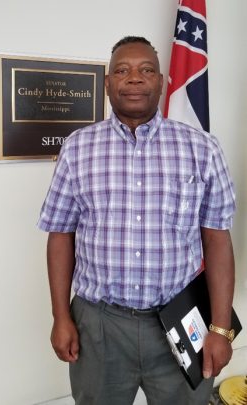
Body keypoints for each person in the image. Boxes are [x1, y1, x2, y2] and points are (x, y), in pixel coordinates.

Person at [38, 36, 236, 405]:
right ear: (108, 83)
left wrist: (221, 329)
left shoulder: (202, 148)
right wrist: (60, 316)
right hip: (100, 326)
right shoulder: (78, 148)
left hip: (181, 319)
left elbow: (218, 240)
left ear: (161, 82)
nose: (134, 78)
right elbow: (60, 233)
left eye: (146, 70)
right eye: (122, 70)